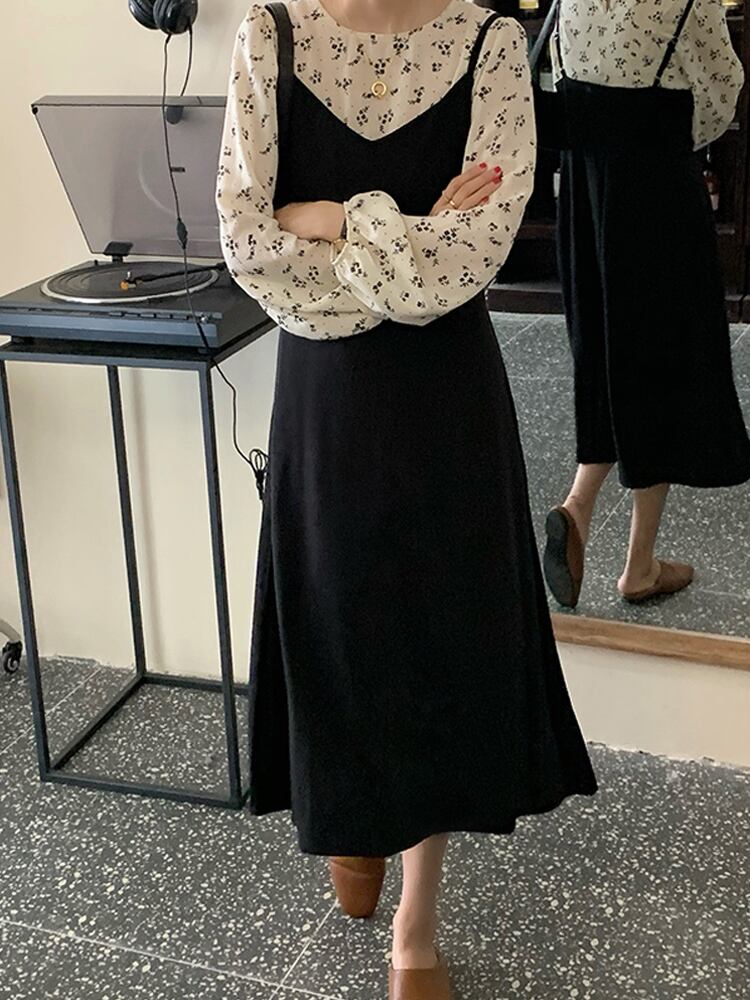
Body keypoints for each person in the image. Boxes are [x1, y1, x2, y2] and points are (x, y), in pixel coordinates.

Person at [217, 2, 597, 997]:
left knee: (438, 636)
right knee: (340, 619)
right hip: (325, 399)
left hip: (446, 397)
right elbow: (248, 245)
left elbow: (476, 255)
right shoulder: (272, 32)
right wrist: (413, 235)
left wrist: (339, 219)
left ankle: (416, 922)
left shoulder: (489, 41)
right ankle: (355, 823)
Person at [544, 0, 750, 609]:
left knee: (604, 355)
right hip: (657, 192)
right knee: (657, 365)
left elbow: (556, 72)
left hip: (583, 196)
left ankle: (578, 507)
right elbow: (719, 96)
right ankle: (638, 566)